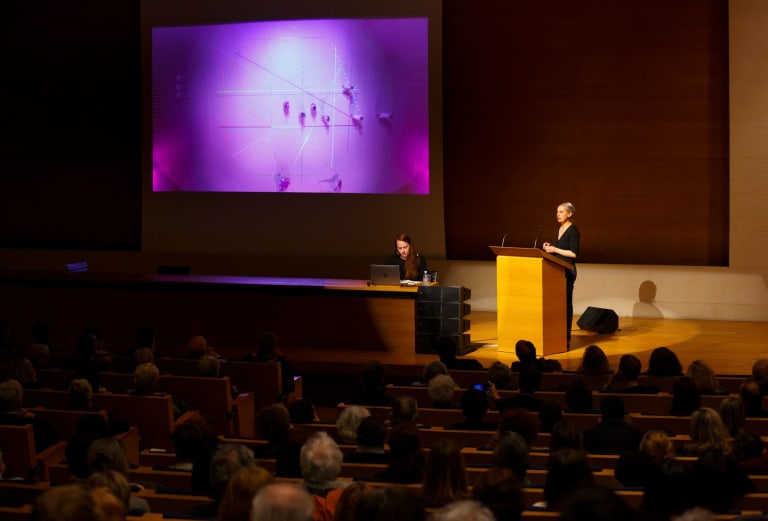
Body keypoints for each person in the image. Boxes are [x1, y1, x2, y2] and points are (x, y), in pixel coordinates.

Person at [541, 202, 580, 346]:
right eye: (557, 211)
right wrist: (549, 247)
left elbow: (573, 253)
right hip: (556, 271)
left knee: (566, 303)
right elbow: (557, 250)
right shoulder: (560, 229)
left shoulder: (573, 231)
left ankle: (566, 335)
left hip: (567, 271)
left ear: (569, 214)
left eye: (561, 211)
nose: (558, 214)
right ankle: (557, 331)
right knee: (556, 303)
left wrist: (555, 250)